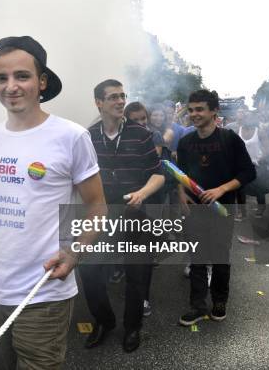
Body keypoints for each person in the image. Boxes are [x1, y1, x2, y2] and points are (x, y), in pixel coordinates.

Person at [0, 36, 105, 369]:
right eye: (1, 78)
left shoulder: (71, 136)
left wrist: (74, 253)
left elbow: (97, 208)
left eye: (22, 76)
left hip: (44, 294)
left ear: (42, 81)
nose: (11, 86)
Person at [79, 83, 164, 353]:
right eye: (113, 97)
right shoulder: (88, 136)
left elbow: (159, 174)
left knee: (137, 276)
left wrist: (143, 192)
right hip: (103, 215)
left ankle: (133, 327)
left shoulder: (140, 134)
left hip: (137, 214)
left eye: (122, 96)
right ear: (98, 103)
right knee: (89, 269)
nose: (120, 101)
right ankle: (104, 322)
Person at [177, 90, 256, 326]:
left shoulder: (230, 139)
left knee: (220, 257)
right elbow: (180, 174)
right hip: (194, 210)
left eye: (200, 109)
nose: (194, 114)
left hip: (223, 208)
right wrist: (181, 195)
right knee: (197, 258)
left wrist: (222, 189)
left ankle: (219, 301)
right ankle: (198, 306)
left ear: (214, 111)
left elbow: (248, 172)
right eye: (191, 110)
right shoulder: (185, 142)